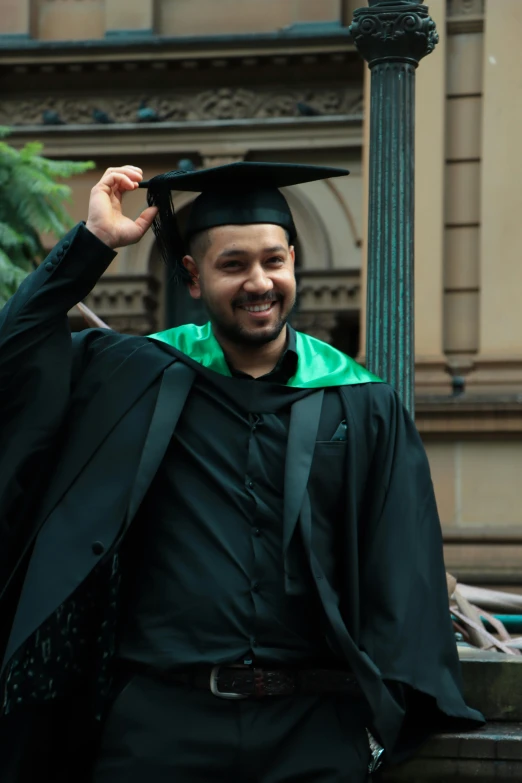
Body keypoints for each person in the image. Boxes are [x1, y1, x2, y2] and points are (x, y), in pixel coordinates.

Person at [0, 162, 483, 782]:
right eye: (233, 266)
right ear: (194, 278)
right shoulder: (130, 378)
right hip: (158, 730)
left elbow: (404, 569)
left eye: (273, 261)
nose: (260, 282)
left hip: (312, 733)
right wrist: (90, 246)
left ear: (293, 261)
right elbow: (12, 361)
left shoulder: (361, 402)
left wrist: (380, 724)